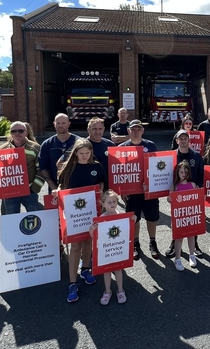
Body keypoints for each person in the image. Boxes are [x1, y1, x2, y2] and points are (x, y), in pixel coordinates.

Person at [57, 138, 106, 303]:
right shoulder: (68, 168)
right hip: (74, 213)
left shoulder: (97, 166)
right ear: (75, 153)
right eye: (81, 153)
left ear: (91, 152)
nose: (85, 156)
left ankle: (86, 269)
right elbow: (61, 186)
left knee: (88, 242)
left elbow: (101, 181)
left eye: (87, 153)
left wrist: (100, 188)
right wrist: (57, 192)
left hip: (91, 211)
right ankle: (72, 282)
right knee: (75, 246)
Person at [119, 119, 161, 260]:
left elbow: (158, 167)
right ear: (128, 131)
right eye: (133, 129)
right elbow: (119, 172)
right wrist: (122, 190)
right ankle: (136, 243)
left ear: (143, 131)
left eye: (139, 129)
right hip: (132, 192)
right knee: (134, 218)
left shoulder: (151, 145)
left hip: (149, 190)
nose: (136, 132)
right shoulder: (122, 148)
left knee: (152, 217)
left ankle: (153, 241)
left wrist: (155, 185)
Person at [90, 190, 135, 305]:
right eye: (109, 202)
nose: (112, 204)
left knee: (118, 269)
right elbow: (93, 236)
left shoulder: (121, 215)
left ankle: (120, 290)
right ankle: (108, 291)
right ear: (103, 204)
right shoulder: (100, 218)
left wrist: (132, 220)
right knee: (107, 271)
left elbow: (128, 230)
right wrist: (92, 230)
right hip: (107, 250)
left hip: (117, 249)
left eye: (114, 201)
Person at [164, 130, 205, 258]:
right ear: (176, 141)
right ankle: (174, 245)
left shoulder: (197, 156)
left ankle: (195, 245)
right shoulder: (171, 156)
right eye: (180, 138)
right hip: (177, 193)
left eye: (185, 138)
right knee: (177, 220)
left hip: (192, 193)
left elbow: (201, 174)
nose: (183, 141)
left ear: (189, 140)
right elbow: (164, 174)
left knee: (193, 218)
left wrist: (199, 189)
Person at [0, 121, 45, 214]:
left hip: (29, 191)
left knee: (35, 219)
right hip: (10, 192)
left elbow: (41, 170)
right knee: (12, 220)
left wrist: (34, 188)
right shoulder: (2, 149)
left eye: (20, 131)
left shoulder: (35, 148)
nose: (17, 133)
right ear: (10, 133)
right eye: (14, 131)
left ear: (26, 132)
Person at [169, 162, 200, 271]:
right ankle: (177, 259)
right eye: (181, 172)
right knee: (179, 238)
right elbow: (170, 200)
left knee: (191, 236)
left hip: (190, 216)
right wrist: (170, 199)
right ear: (177, 173)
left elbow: (198, 198)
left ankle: (192, 255)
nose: (183, 174)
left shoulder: (192, 185)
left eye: (186, 172)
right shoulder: (174, 186)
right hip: (178, 217)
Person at [39, 113, 80, 194]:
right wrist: (55, 188)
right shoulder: (47, 144)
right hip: (55, 189)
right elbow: (43, 168)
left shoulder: (79, 142)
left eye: (63, 123)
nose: (60, 125)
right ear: (54, 124)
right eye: (58, 123)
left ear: (69, 124)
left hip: (77, 187)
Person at [87, 117, 115, 189]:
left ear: (104, 129)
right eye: (94, 129)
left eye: (100, 129)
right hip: (89, 187)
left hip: (108, 188)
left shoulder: (110, 145)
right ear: (88, 130)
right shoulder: (82, 145)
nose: (97, 132)